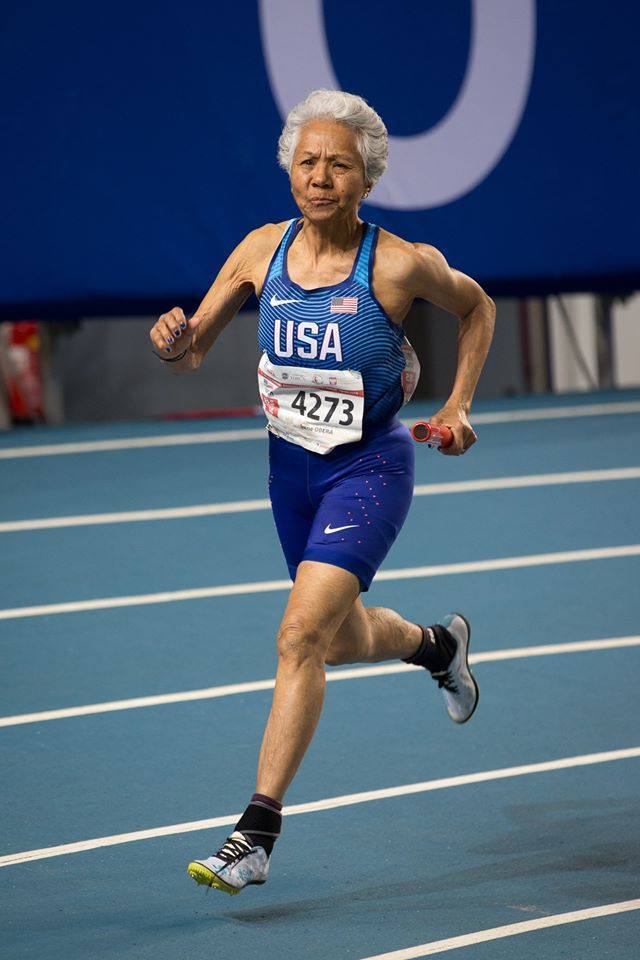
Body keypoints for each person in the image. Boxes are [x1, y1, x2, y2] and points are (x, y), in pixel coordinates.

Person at [149, 89, 495, 896]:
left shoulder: (398, 262)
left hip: (368, 468)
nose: (321, 177)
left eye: (339, 164)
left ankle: (255, 832)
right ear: (290, 172)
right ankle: (437, 647)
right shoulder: (259, 251)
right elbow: (193, 350)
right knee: (332, 640)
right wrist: (174, 342)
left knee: (298, 636)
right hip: (290, 472)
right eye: (307, 162)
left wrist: (458, 404)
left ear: (366, 176)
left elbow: (476, 308)